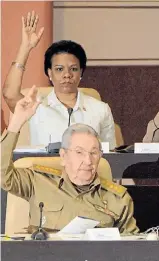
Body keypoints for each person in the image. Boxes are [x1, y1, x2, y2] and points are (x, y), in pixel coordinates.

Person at [1, 86, 138, 234]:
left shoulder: (118, 199)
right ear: (64, 156)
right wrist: (16, 123)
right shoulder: (38, 181)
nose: (87, 160)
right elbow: (3, 176)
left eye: (94, 153)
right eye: (79, 152)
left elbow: (131, 247)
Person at [2, 11, 116, 148]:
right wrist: (25, 48)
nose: (67, 75)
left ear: (81, 72)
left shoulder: (100, 110)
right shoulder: (36, 106)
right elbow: (9, 94)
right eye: (59, 69)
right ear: (49, 73)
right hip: (45, 169)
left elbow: (110, 159)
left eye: (73, 69)